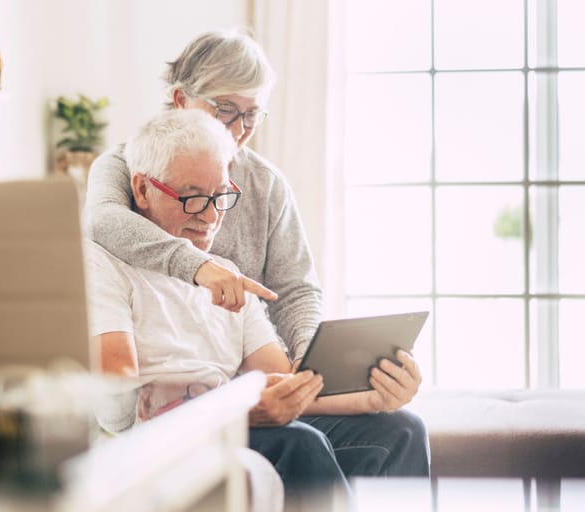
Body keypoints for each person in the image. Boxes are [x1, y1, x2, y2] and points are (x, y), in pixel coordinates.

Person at [86, 109, 430, 510]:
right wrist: (238, 409)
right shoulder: (102, 265)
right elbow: (117, 390)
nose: (211, 216)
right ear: (143, 190)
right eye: (194, 197)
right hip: (164, 440)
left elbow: (285, 384)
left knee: (401, 430)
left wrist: (376, 399)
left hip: (233, 417)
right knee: (300, 442)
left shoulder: (228, 276)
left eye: (220, 196)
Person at [84, 28, 319, 363]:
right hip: (176, 379)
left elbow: (297, 291)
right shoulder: (127, 164)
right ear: (181, 100)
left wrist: (309, 361)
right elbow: (102, 220)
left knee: (397, 418)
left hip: (257, 367)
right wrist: (200, 267)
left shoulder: (267, 184)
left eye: (251, 114)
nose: (238, 129)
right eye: (225, 109)